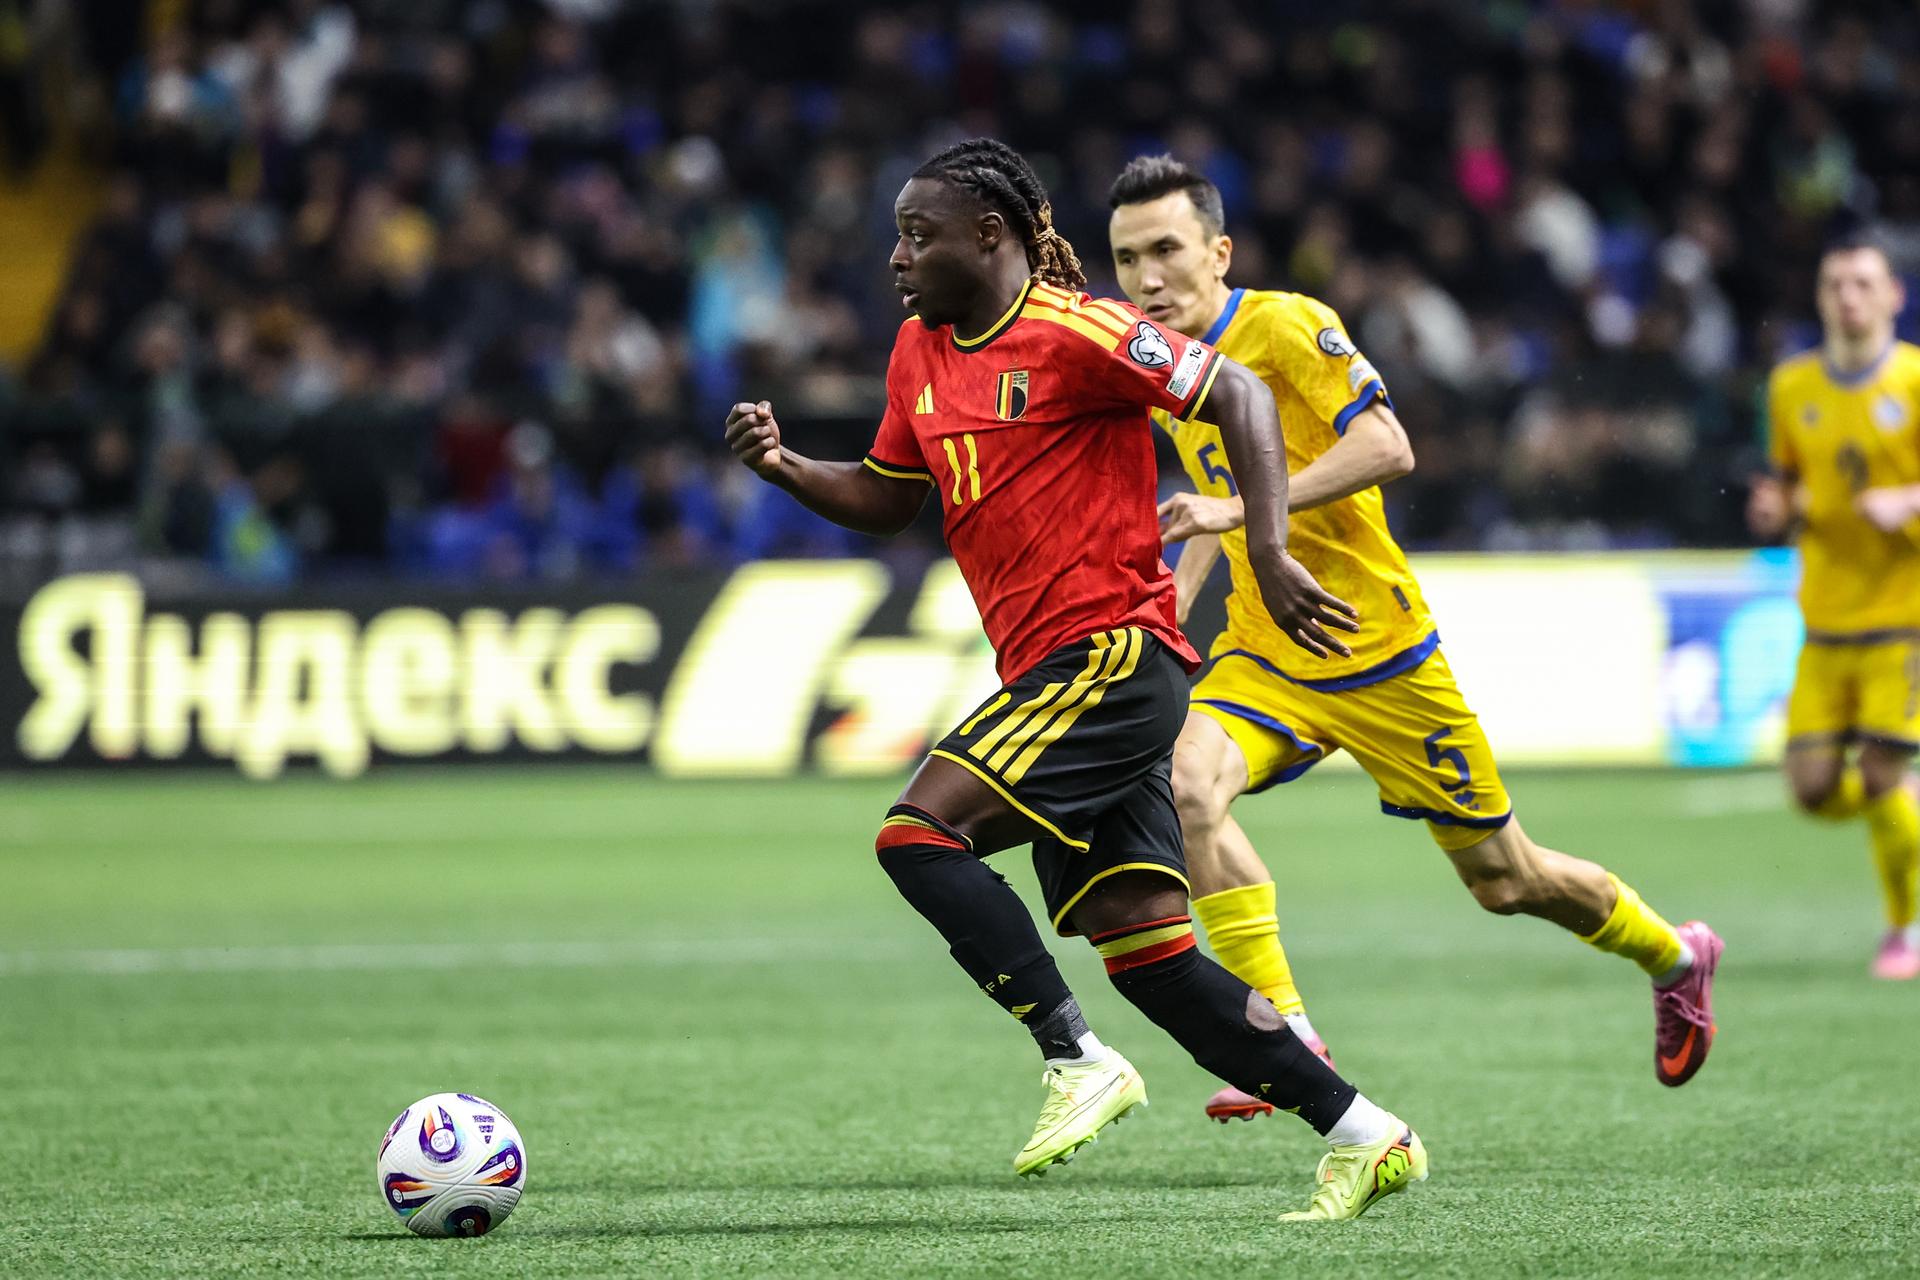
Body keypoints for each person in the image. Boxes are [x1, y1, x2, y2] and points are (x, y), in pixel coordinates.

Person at [726, 139, 1425, 1220]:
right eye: (898, 237)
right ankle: (1368, 1132)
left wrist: (1271, 547)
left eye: (921, 235)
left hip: (1109, 657)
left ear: (991, 235)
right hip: (1062, 672)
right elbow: (885, 495)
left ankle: (1073, 1055)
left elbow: (1236, 390)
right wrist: (786, 469)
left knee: (916, 834)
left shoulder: (1077, 329)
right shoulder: (917, 351)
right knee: (1154, 958)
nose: (900, 258)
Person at [1104, 154, 1723, 1122]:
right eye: (1127, 258)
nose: (1145, 278)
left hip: (1383, 651)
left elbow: (1389, 446)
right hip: (1269, 656)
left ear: (1219, 252)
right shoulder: (1161, 369)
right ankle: (1289, 1030)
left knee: (1507, 880)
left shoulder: (1289, 325)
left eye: (1167, 250)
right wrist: (1169, 608)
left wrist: (1238, 508)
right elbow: (1205, 515)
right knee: (1185, 784)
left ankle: (1678, 955)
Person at [1749, 236, 1920, 980]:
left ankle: (1905, 931)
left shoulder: (1915, 381)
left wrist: (1910, 501)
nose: (1847, 296)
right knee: (1812, 790)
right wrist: (1774, 508)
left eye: (1862, 283)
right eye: (1833, 284)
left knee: (1884, 774)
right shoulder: (1791, 387)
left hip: (1903, 622)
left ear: (1893, 297)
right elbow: (1786, 484)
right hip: (1823, 621)